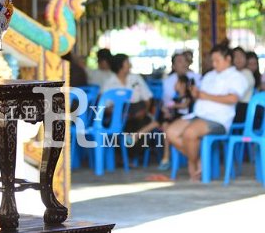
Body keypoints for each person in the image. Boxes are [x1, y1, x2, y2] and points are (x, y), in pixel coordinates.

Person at [166, 44, 248, 181]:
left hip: (219, 120)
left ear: (228, 59)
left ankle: (193, 165)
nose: (214, 64)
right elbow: (200, 96)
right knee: (170, 132)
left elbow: (233, 98)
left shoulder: (237, 77)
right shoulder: (209, 75)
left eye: (217, 60)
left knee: (190, 133)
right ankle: (198, 161)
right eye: (213, 61)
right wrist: (195, 94)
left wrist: (205, 96)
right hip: (198, 115)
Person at [102, 53, 156, 140]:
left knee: (144, 124)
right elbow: (105, 106)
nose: (130, 65)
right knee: (120, 127)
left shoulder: (136, 78)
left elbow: (147, 98)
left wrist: (144, 112)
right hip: (119, 115)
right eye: (127, 63)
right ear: (120, 66)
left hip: (139, 113)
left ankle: (132, 143)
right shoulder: (109, 83)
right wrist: (123, 114)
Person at [232, 46, 256, 124]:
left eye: (241, 56)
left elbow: (237, 95)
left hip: (243, 108)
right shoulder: (232, 73)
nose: (239, 59)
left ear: (245, 59)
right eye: (235, 56)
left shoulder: (246, 73)